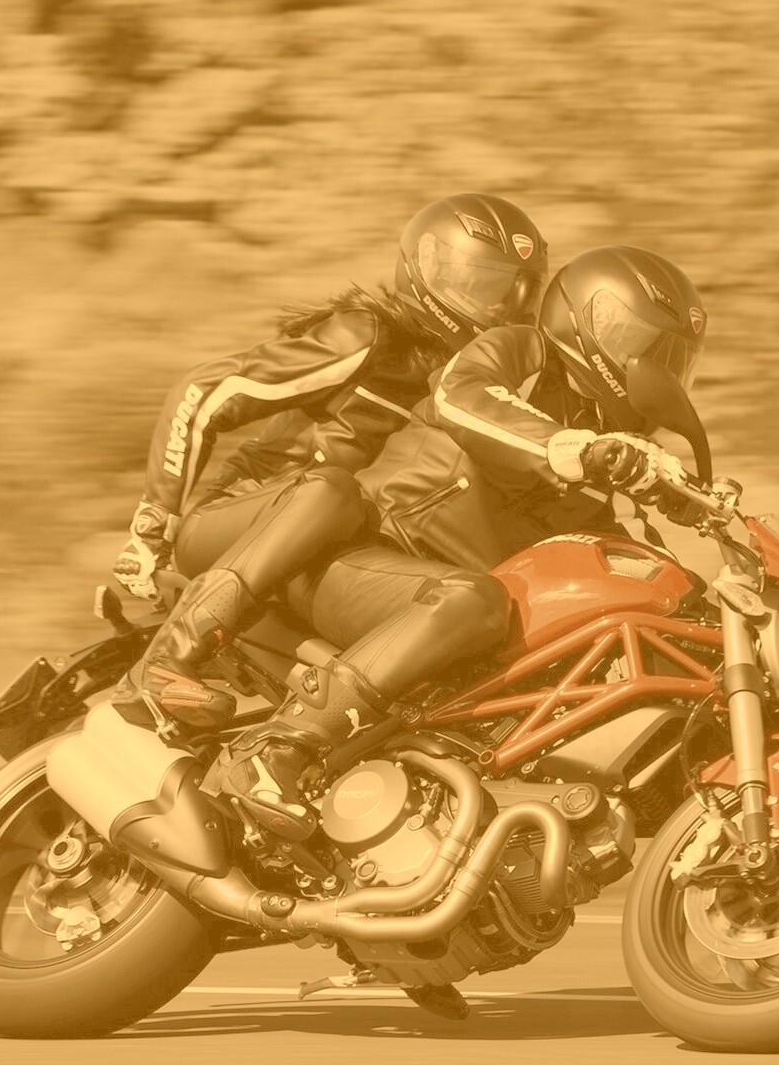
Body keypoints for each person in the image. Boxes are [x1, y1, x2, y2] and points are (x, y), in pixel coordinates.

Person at [225, 245, 711, 838]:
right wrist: (572, 449)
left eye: (671, 359)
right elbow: (466, 400)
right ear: (586, 319)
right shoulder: (520, 355)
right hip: (361, 555)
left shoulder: (602, 461)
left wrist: (702, 608)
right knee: (472, 599)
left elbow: (619, 559)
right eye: (638, 343)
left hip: (432, 607)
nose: (651, 367)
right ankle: (277, 750)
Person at [110, 194, 550, 728]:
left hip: (322, 555)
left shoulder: (481, 385)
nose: (497, 308)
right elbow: (203, 391)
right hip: (242, 525)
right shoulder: (369, 337)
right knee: (334, 489)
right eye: (479, 285)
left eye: (512, 292)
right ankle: (164, 661)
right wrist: (153, 525)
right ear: (426, 267)